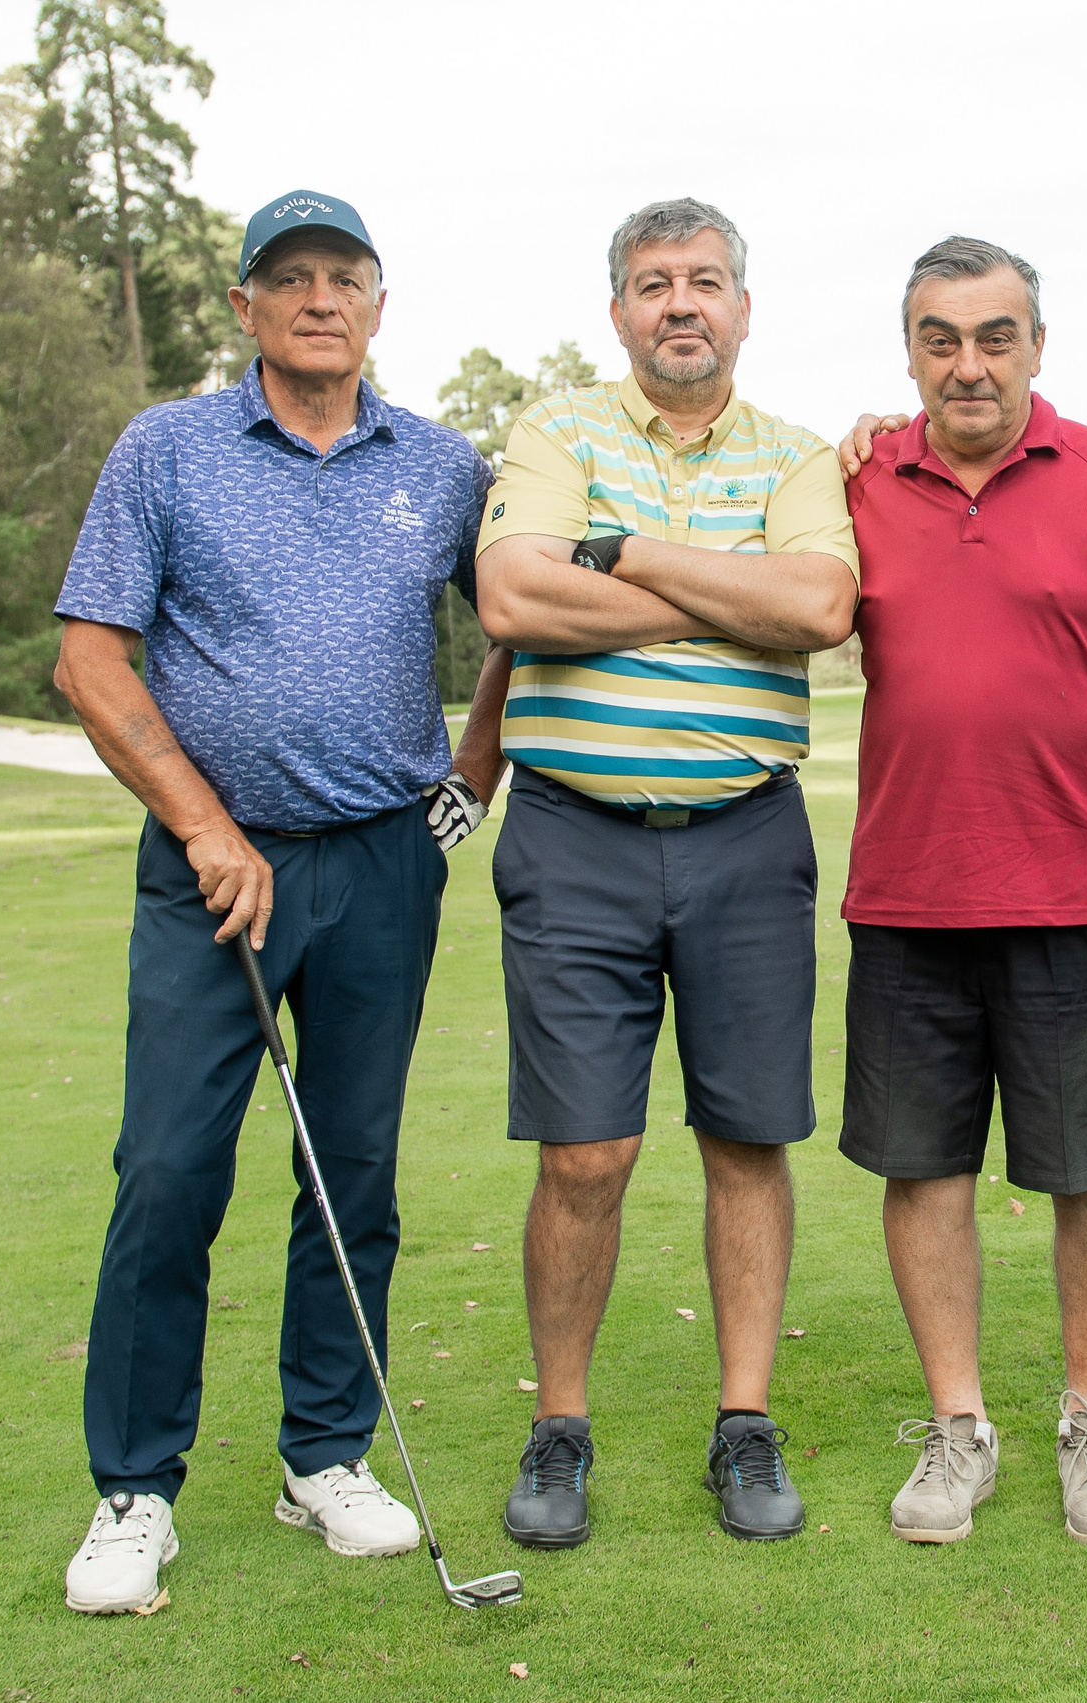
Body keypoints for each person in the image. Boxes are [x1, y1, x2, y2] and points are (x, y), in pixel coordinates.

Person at [48, 189, 510, 1615]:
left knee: (350, 1167)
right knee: (170, 1169)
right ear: (243, 307)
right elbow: (90, 659)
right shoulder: (169, 448)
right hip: (211, 867)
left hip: (381, 861)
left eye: (346, 277)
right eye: (289, 278)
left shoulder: (442, 467)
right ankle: (134, 1489)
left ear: (380, 308)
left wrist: (468, 774)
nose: (319, 298)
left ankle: (326, 1455)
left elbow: (525, 617)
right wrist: (201, 825)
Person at [472, 198, 858, 1549]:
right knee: (586, 1151)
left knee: (748, 1139)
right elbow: (514, 601)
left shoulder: (802, 456)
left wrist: (620, 557)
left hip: (748, 839)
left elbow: (818, 611)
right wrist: (722, 590)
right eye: (652, 284)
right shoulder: (555, 431)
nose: (679, 303)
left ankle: (743, 1427)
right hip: (574, 837)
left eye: (704, 282)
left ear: (743, 308)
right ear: (620, 310)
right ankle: (559, 1428)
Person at [829, 238, 1087, 1547]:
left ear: (1038, 346)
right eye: (940, 337)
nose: (969, 361)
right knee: (921, 1168)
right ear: (910, 356)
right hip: (909, 892)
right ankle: (958, 1430)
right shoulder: (860, 477)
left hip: (1072, 894)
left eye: (996, 334)